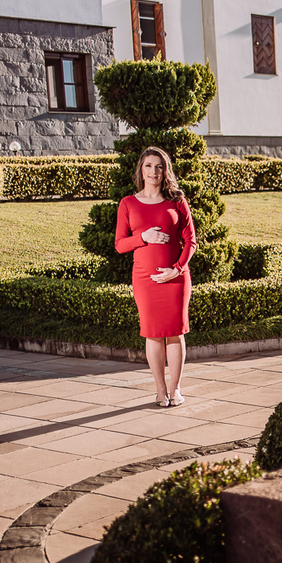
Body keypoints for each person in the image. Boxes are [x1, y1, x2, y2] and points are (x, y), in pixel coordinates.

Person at [115, 147, 197, 407]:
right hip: (145, 279)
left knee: (174, 333)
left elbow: (191, 241)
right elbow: (119, 244)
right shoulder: (128, 203)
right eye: (149, 166)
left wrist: (178, 268)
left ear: (166, 171)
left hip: (175, 279)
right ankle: (160, 391)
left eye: (159, 166)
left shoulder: (177, 201)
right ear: (141, 168)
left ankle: (176, 389)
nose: (154, 171)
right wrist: (143, 237)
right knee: (152, 334)